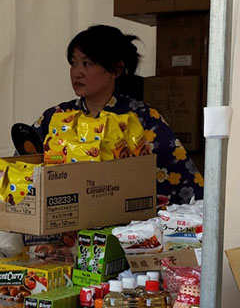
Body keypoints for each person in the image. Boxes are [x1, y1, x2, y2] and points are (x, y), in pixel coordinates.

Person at [30, 24, 203, 205]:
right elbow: (24, 164)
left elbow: (183, 178)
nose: (77, 72)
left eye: (87, 63)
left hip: (125, 227)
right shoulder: (55, 116)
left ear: (116, 69)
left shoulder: (143, 118)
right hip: (65, 218)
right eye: (74, 63)